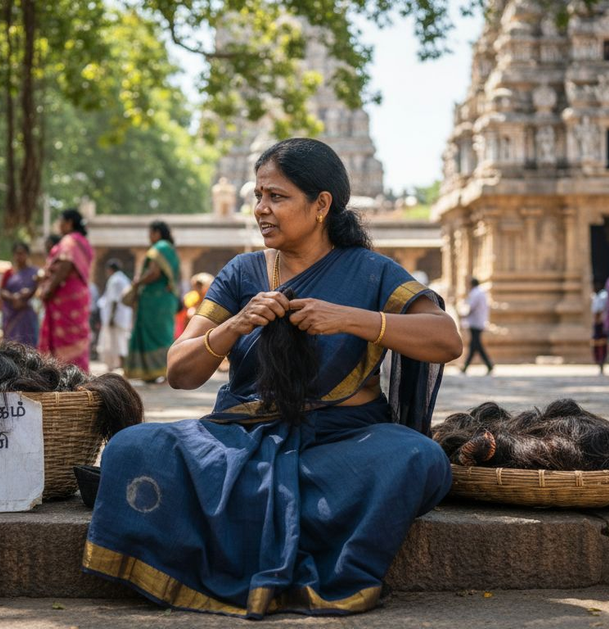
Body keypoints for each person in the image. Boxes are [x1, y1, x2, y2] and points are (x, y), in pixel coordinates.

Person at [83, 138, 461, 618]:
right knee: (130, 448)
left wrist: (348, 318)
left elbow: (446, 339)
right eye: (257, 196)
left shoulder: (371, 272)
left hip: (341, 443)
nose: (261, 209)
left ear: (321, 204)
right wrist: (235, 325)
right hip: (244, 439)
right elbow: (179, 372)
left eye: (276, 197)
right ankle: (273, 513)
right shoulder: (242, 272)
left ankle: (249, 513)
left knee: (419, 457)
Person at [37, 208, 94, 371]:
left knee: (66, 336)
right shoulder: (83, 242)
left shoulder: (70, 241)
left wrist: (49, 289)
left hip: (65, 296)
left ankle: (65, 373)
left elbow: (66, 264)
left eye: (61, 221)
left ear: (69, 223)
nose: (59, 225)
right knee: (75, 335)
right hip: (78, 295)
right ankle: (78, 372)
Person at [124, 220, 181, 382]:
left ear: (157, 233)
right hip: (166, 299)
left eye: (150, 232)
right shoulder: (172, 251)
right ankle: (157, 372)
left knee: (153, 335)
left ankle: (156, 371)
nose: (149, 236)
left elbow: (154, 273)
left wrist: (138, 282)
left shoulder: (159, 248)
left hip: (154, 301)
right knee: (164, 335)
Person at [0, 242, 40, 347]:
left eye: (22, 253)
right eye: (17, 253)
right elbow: (1, 290)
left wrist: (26, 295)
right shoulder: (9, 272)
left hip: (26, 313)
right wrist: (13, 298)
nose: (19, 256)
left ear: (27, 254)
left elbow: (38, 289)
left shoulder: (35, 273)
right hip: (11, 313)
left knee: (29, 344)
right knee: (11, 345)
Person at [97, 258, 133, 370]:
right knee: (121, 341)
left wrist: (111, 318)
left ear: (109, 269)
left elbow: (114, 300)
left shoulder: (115, 280)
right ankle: (120, 366)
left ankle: (119, 366)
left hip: (115, 318)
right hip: (123, 317)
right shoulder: (124, 279)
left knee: (116, 343)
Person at [459, 277, 493, 375]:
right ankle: (487, 365)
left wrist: (463, 314)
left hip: (475, 322)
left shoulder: (475, 293)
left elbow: (471, 307)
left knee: (475, 345)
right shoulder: (482, 292)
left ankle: (466, 367)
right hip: (479, 321)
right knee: (475, 345)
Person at [591, 279, 609, 375]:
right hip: (597, 323)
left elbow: (600, 310)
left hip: (601, 322)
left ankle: (602, 362)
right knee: (597, 344)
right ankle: (599, 362)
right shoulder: (594, 296)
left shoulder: (603, 296)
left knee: (602, 344)